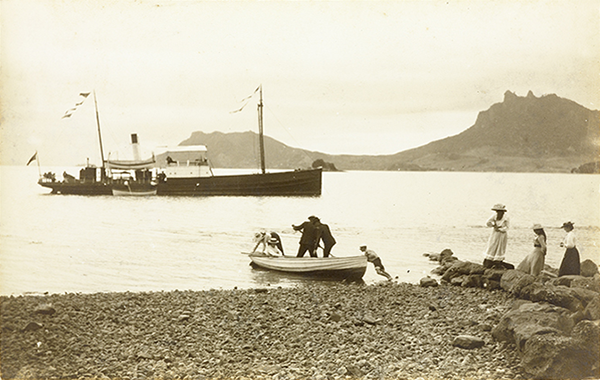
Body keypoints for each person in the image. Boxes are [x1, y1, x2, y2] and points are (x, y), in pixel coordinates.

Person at [483, 203, 514, 269]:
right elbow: (487, 222)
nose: (498, 213)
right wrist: (493, 225)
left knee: (500, 246)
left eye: (500, 211)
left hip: (502, 234)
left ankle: (497, 260)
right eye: (497, 211)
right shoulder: (494, 215)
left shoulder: (506, 217)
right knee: (492, 244)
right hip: (495, 233)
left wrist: (500, 229)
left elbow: (507, 227)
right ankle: (490, 258)